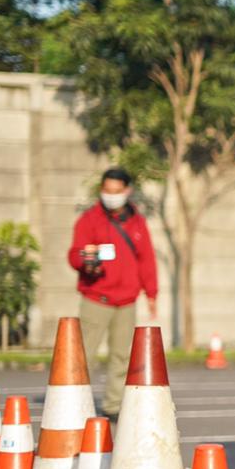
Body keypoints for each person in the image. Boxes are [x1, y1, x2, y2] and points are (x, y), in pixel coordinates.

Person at [68, 167, 158, 420]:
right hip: (96, 298)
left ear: (127, 191)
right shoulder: (89, 219)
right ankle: (75, 403)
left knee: (121, 356)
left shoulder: (137, 221)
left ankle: (114, 405)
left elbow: (146, 259)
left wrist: (151, 293)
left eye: (116, 191)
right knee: (85, 353)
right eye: (107, 190)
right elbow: (74, 254)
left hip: (126, 300)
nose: (111, 195)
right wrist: (85, 261)